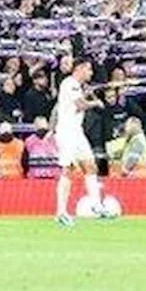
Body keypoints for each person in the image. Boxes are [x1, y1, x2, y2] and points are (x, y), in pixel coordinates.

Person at [52, 60, 114, 225]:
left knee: (90, 165)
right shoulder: (69, 83)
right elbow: (79, 105)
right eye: (88, 69)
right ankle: (61, 212)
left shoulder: (77, 86)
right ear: (79, 69)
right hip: (67, 132)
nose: (91, 73)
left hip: (77, 132)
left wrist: (87, 94)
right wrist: (95, 102)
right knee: (68, 169)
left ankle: (97, 205)